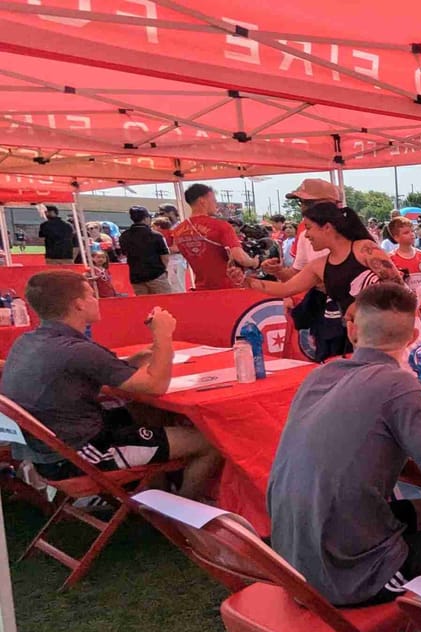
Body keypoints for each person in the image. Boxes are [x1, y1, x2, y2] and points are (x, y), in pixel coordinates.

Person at [267, 282, 421, 632]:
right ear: (413, 334)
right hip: (344, 575)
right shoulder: (400, 386)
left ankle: (418, 631)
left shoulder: (321, 375)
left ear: (354, 329)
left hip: (290, 557)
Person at [0, 270, 219, 497]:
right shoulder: (77, 350)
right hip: (77, 456)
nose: (97, 300)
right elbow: (156, 386)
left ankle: (156, 495)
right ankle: (184, 516)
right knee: (211, 441)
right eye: (91, 295)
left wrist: (140, 357)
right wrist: (163, 337)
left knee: (144, 410)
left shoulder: (28, 341)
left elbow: (95, 369)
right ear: (78, 305)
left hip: (48, 450)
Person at [235, 202, 405, 361]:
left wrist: (361, 304)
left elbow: (397, 287)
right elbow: (286, 288)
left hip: (385, 335)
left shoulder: (365, 249)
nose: (306, 235)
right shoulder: (319, 265)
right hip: (351, 337)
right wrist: (246, 280)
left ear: (327, 228)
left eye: (309, 228)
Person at [173, 184, 260, 289]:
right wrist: (254, 262)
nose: (216, 204)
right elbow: (240, 257)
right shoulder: (220, 226)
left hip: (201, 288)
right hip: (227, 287)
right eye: (214, 200)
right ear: (202, 201)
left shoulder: (178, 231)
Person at [386, 217, 421, 338]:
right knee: (407, 340)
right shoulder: (391, 258)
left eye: (412, 231)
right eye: (406, 233)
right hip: (404, 309)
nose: (412, 235)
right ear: (396, 237)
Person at [119, 206, 172, 295]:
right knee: (165, 304)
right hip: (156, 275)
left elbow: (124, 254)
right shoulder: (156, 235)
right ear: (146, 218)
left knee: (144, 306)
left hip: (136, 277)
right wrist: (163, 270)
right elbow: (165, 256)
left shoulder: (124, 236)